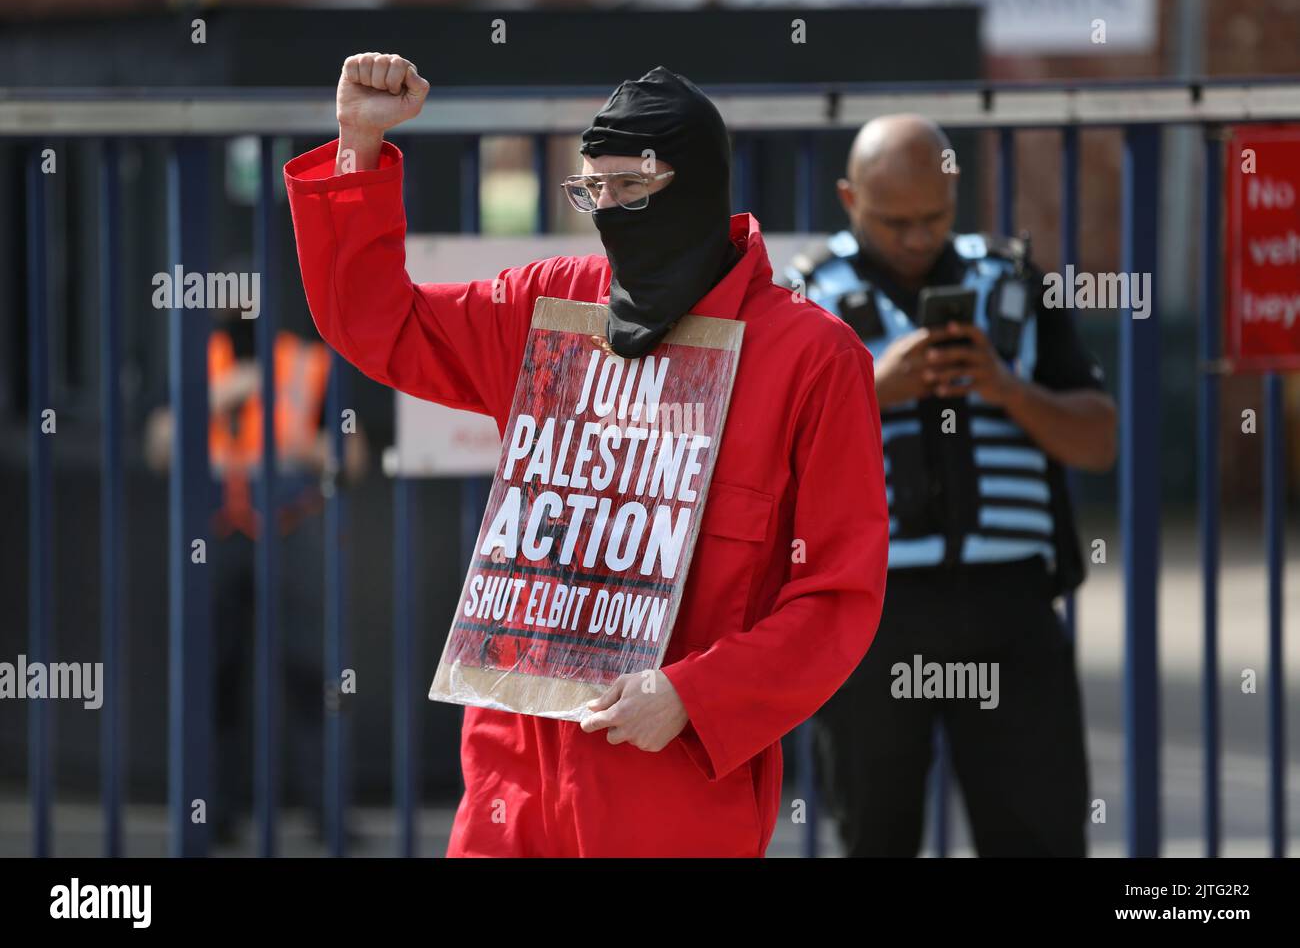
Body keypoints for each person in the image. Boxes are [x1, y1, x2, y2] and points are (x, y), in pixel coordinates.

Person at [283, 53, 890, 857]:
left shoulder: (811, 358)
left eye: (632, 188)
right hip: (512, 772)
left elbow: (838, 599)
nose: (610, 212)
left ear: (699, 186)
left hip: (672, 776)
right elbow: (376, 322)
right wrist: (358, 143)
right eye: (591, 190)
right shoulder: (554, 305)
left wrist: (691, 693)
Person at [784, 114, 1116, 857]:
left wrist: (1006, 388)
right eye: (893, 219)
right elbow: (765, 446)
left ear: (955, 191)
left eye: (932, 216)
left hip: (1010, 604)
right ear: (849, 197)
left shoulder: (1015, 280)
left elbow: (1099, 437)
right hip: (871, 610)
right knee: (874, 830)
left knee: (1040, 830)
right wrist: (875, 388)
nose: (913, 236)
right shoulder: (801, 296)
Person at [144, 312, 367, 845]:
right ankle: (211, 815)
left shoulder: (309, 362)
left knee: (314, 676)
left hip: (291, 533)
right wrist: (220, 396)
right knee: (212, 677)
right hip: (217, 536)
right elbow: (158, 447)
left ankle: (329, 815)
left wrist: (305, 449)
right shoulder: (195, 361)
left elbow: (352, 458)